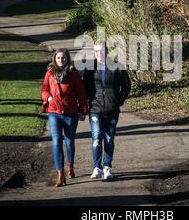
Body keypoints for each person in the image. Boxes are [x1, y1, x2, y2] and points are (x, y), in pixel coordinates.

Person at [83, 40, 131, 179]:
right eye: (96, 51)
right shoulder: (90, 68)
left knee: (109, 139)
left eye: (101, 50)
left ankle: (107, 167)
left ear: (106, 50)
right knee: (97, 138)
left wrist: (119, 100)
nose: (99, 53)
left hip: (112, 109)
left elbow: (127, 85)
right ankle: (97, 167)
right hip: (95, 109)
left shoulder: (117, 66)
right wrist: (85, 105)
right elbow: (84, 88)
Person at [41, 48, 88, 187]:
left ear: (67, 58)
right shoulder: (49, 73)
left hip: (70, 113)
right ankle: (60, 174)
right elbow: (44, 89)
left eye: (63, 58)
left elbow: (81, 93)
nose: (61, 60)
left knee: (69, 142)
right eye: (58, 58)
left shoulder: (74, 74)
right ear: (54, 59)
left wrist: (83, 110)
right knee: (56, 142)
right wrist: (48, 98)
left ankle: (70, 167)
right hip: (54, 113)